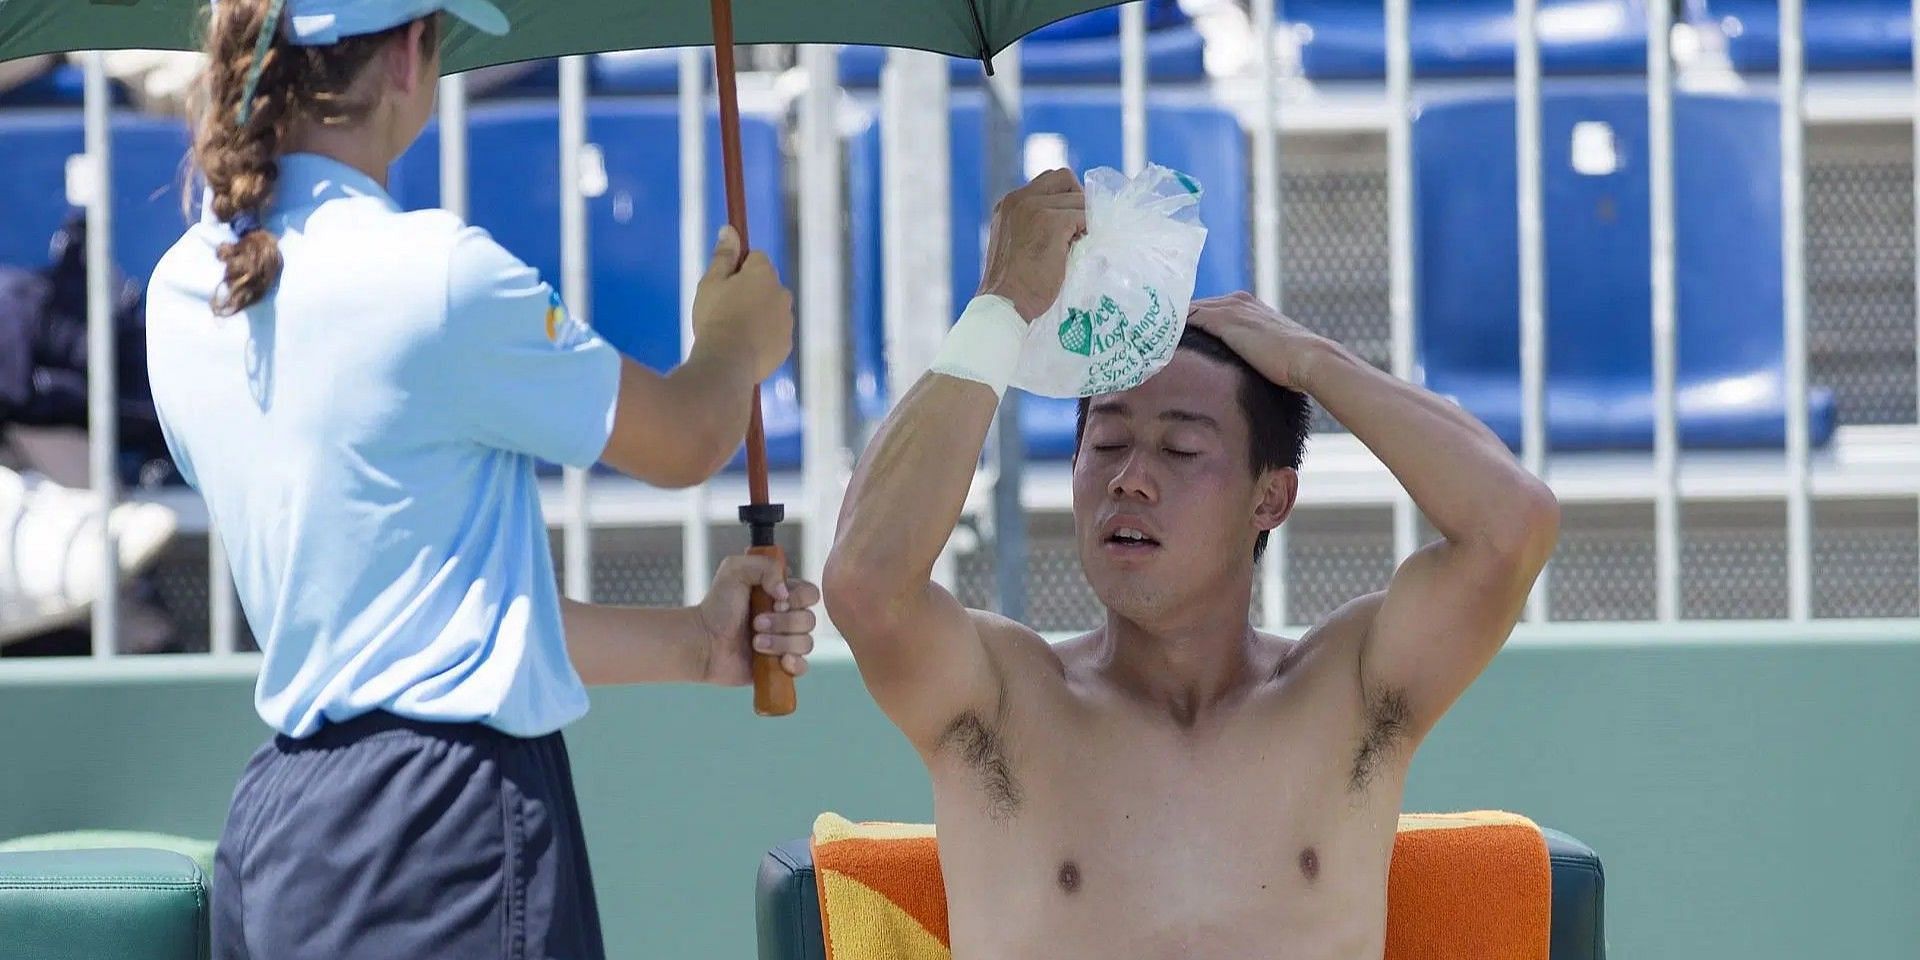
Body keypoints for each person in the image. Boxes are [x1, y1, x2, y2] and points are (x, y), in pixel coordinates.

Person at [144, 2, 818, 957]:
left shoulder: (180, 293)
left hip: (284, 834)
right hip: (443, 831)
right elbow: (687, 441)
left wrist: (695, 643)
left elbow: (428, 622)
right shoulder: (436, 275)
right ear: (413, 54)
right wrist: (737, 342)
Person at [824, 170, 1561, 959]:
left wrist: (1310, 360)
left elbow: (1511, 526)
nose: (1129, 478)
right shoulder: (1000, 702)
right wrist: (1000, 306)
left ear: (1270, 500)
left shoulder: (1348, 692)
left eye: (1180, 449)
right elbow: (867, 583)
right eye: (1105, 444)